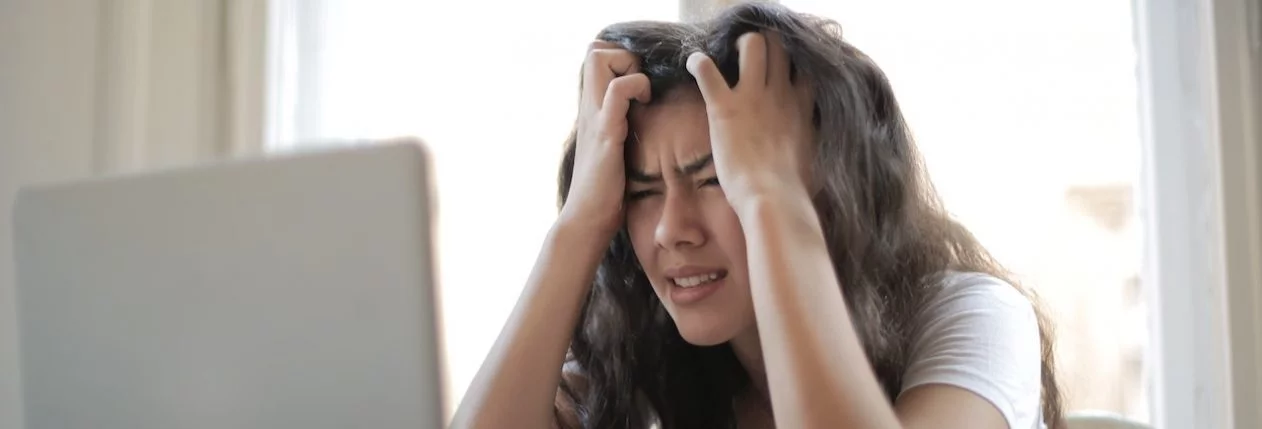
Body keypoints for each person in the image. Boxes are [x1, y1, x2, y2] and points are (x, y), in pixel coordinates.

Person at [450, 3, 1061, 429]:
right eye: (641, 192)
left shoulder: (975, 317)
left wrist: (770, 198)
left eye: (717, 179)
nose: (672, 230)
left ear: (829, 182)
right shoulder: (642, 346)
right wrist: (580, 222)